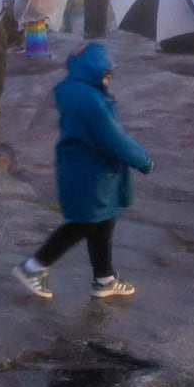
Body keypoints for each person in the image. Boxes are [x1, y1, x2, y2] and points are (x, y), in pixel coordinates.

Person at [12, 43, 151, 300]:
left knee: (102, 221)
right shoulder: (90, 100)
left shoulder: (74, 89)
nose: (108, 80)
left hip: (86, 169)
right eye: (105, 74)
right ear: (92, 70)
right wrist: (143, 160)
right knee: (83, 224)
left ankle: (104, 277)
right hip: (92, 173)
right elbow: (114, 138)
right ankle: (34, 267)